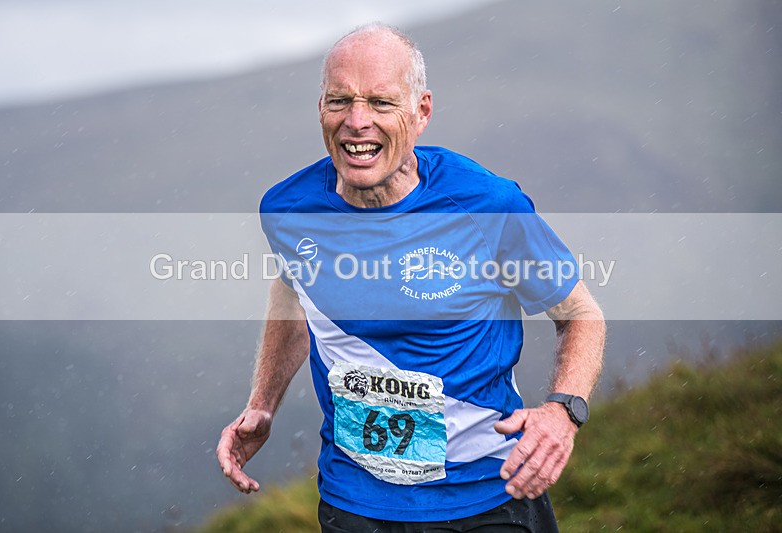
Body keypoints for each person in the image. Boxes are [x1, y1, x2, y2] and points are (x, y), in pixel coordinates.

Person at [217, 23, 605, 532]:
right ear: (321, 108)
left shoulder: (487, 205)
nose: (357, 121)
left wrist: (562, 411)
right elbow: (294, 294)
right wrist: (262, 405)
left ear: (421, 112)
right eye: (340, 101)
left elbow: (580, 314)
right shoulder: (288, 210)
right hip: (355, 504)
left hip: (491, 496)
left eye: (381, 102)